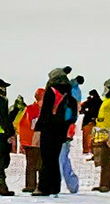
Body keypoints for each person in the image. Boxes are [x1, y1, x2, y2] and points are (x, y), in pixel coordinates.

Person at [34, 69, 77, 197]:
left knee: (46, 159)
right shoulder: (70, 95)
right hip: (61, 132)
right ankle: (55, 186)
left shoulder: (51, 91)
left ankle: (44, 188)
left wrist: (38, 129)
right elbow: (73, 116)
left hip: (49, 130)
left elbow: (45, 113)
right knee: (54, 158)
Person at [17, 90, 42, 193]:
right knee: (34, 164)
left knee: (34, 164)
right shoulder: (32, 109)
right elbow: (31, 125)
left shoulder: (29, 109)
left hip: (32, 140)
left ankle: (33, 185)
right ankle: (33, 185)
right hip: (33, 140)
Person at [79, 87, 103, 157]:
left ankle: (86, 150)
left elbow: (80, 109)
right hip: (97, 122)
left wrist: (86, 112)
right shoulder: (101, 102)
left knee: (86, 137)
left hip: (87, 120)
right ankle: (93, 150)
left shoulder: (89, 102)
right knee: (95, 137)